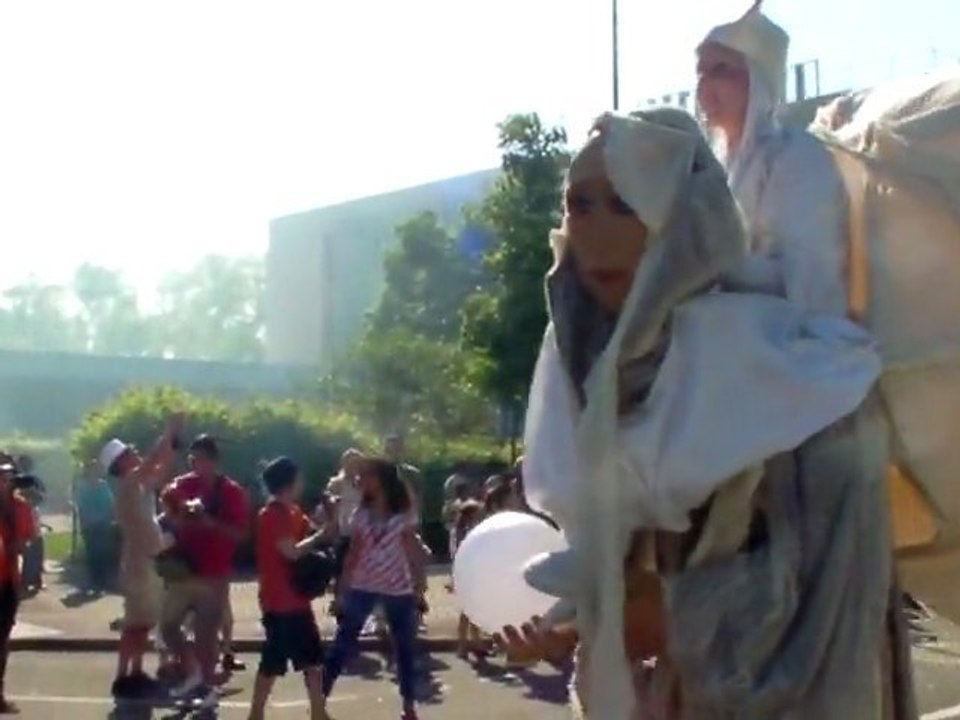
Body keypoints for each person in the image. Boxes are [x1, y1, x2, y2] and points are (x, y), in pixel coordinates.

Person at [502, 109, 900, 718]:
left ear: (683, 219)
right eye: (579, 205)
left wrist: (673, 615)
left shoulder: (800, 378)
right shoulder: (589, 382)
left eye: (625, 203)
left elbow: (836, 593)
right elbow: (622, 571)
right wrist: (574, 628)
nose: (595, 231)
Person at [323, 457, 426, 720]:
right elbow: (353, 554)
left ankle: (409, 706)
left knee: (403, 648)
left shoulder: (403, 515)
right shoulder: (362, 514)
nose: (362, 480)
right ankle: (319, 698)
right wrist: (341, 591)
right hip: (363, 585)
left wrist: (419, 584)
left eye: (368, 475)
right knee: (343, 643)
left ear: (382, 480)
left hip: (397, 589)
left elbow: (413, 550)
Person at [160, 434, 250, 707]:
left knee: (206, 633)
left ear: (214, 461)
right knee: (168, 626)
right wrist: (178, 512)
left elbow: (239, 534)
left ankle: (207, 689)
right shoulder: (182, 485)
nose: (196, 464)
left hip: (214, 572)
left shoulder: (231, 491)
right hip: (184, 569)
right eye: (192, 459)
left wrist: (209, 522)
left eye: (201, 459)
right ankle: (194, 674)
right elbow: (167, 504)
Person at [102, 414, 184, 701]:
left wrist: (172, 440)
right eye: (129, 451)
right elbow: (152, 461)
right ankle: (124, 677)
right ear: (121, 461)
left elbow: (161, 468)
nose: (134, 452)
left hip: (145, 561)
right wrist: (169, 431)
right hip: (139, 563)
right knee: (135, 625)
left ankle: (133, 673)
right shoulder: (128, 483)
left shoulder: (135, 485)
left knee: (141, 623)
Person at [248, 457, 332, 720]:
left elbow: (312, 532)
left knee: (312, 660)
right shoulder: (272, 514)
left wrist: (329, 516)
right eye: (298, 478)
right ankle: (256, 713)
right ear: (289, 482)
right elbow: (291, 551)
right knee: (274, 662)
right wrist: (320, 536)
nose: (302, 483)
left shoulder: (292, 511)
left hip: (296, 597)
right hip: (279, 599)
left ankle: (317, 711)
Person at [0, 457, 35, 713]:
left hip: (8, 579)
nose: (5, 480)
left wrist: (15, 546)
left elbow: (24, 541)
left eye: (7, 476)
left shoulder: (20, 507)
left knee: (2, 638)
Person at [76, 460, 116, 594]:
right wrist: (82, 522)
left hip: (103, 523)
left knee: (102, 553)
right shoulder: (83, 487)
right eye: (92, 469)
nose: (95, 472)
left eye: (96, 469)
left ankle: (101, 582)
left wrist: (111, 518)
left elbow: (110, 504)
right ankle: (93, 581)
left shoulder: (103, 486)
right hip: (90, 524)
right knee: (91, 553)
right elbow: (80, 507)